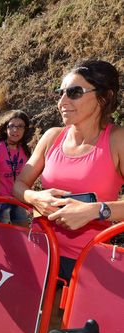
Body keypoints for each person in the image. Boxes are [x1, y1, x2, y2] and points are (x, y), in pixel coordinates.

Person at [14, 59, 124, 286]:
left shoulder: (117, 140)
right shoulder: (52, 136)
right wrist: (35, 197)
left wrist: (95, 211)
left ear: (104, 97)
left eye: (74, 92)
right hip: (40, 252)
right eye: (61, 93)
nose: (62, 102)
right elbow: (19, 185)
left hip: (87, 264)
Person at [0, 110, 32, 226]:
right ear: (5, 129)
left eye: (20, 126)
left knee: (24, 233)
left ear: (25, 130)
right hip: (1, 202)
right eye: (12, 126)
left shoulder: (25, 151)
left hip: (18, 201)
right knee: (6, 234)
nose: (15, 130)